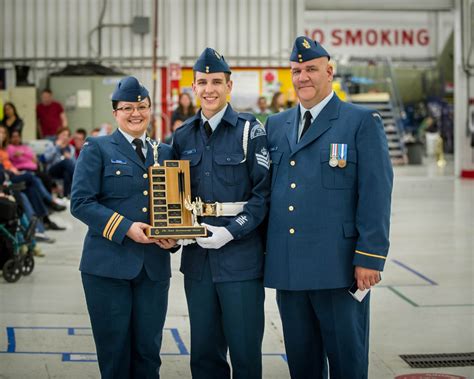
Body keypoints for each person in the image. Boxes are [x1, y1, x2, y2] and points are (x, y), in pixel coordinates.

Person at [264, 36, 393, 378]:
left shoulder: (361, 122)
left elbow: (376, 194)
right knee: (302, 365)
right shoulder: (275, 126)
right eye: (296, 70)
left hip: (338, 268)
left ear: (329, 71)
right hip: (289, 269)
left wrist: (370, 256)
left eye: (310, 69)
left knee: (347, 362)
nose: (302, 77)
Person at [172, 48, 270, 379]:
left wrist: (230, 231)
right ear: (194, 87)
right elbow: (174, 195)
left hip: (240, 261)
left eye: (216, 81)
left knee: (244, 354)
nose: (209, 89)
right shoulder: (182, 135)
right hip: (197, 262)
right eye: (202, 82)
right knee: (203, 355)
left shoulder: (249, 130)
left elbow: (262, 196)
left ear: (229, 85)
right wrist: (171, 232)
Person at [70, 76, 176, 379]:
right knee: (114, 353)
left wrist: (174, 238)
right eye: (127, 107)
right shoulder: (98, 148)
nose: (135, 113)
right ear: (115, 112)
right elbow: (80, 202)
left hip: (154, 268)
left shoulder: (165, 152)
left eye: (142, 106)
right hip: (107, 267)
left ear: (150, 110)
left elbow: (173, 206)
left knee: (148, 352)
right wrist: (126, 227)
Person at [43, 127, 76, 198]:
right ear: (58, 135)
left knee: (67, 173)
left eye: (67, 135)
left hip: (65, 171)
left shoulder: (71, 148)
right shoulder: (51, 145)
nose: (65, 137)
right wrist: (57, 147)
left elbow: (74, 163)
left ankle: (66, 196)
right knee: (66, 162)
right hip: (53, 169)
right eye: (63, 134)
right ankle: (78, 180)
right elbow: (47, 159)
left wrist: (70, 157)